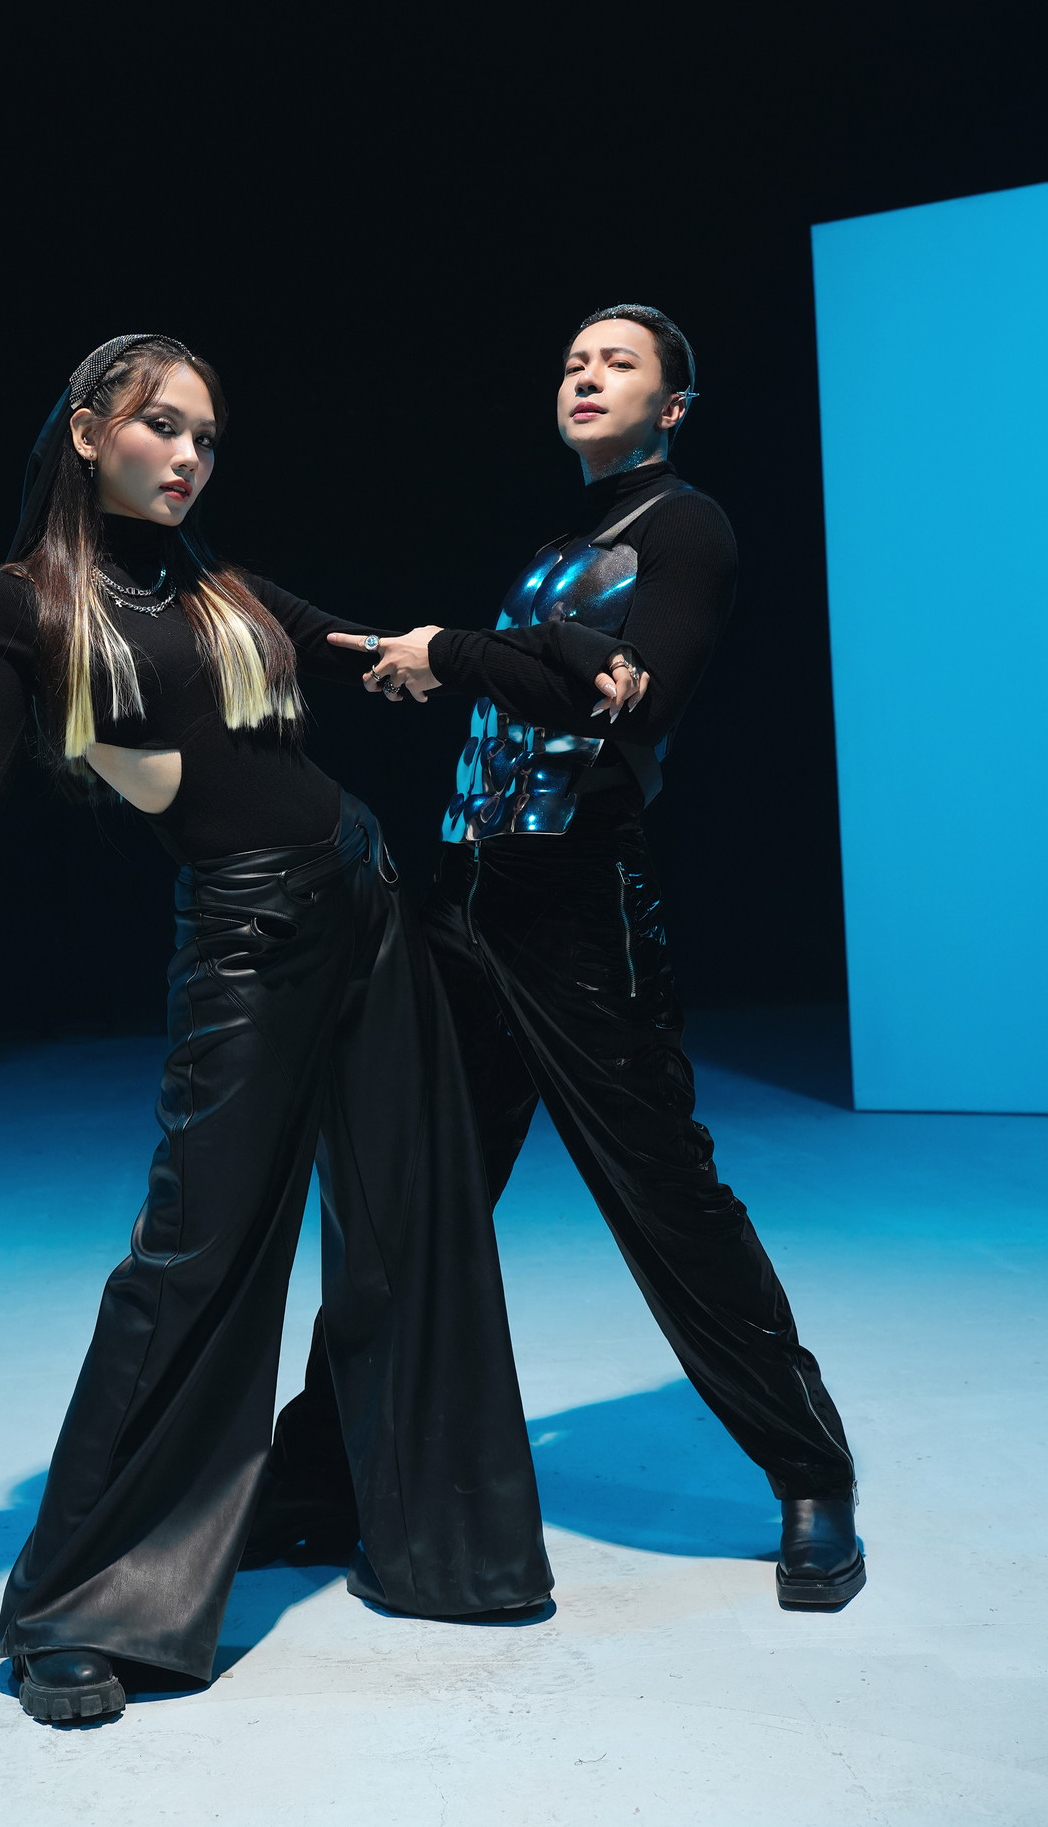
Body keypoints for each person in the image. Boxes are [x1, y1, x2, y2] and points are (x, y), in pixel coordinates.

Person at [0, 332, 552, 1726]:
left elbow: (375, 651)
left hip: (367, 897)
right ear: (87, 430)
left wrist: (517, 660)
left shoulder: (221, 584)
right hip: (248, 938)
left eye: (207, 436)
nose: (189, 454)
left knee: (412, 1218)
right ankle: (80, 1602)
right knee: (193, 1258)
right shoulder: (23, 601)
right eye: (162, 424)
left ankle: (435, 1541)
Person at [263, 305, 865, 1613]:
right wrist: (445, 659)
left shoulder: (687, 528)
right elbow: (542, 680)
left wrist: (457, 653)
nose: (586, 376)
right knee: (411, 1205)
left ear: (672, 406)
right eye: (575, 361)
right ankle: (314, 1477)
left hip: (577, 912)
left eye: (618, 363)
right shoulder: (559, 548)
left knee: (667, 1200)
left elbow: (628, 694)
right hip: (466, 899)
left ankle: (813, 1476)